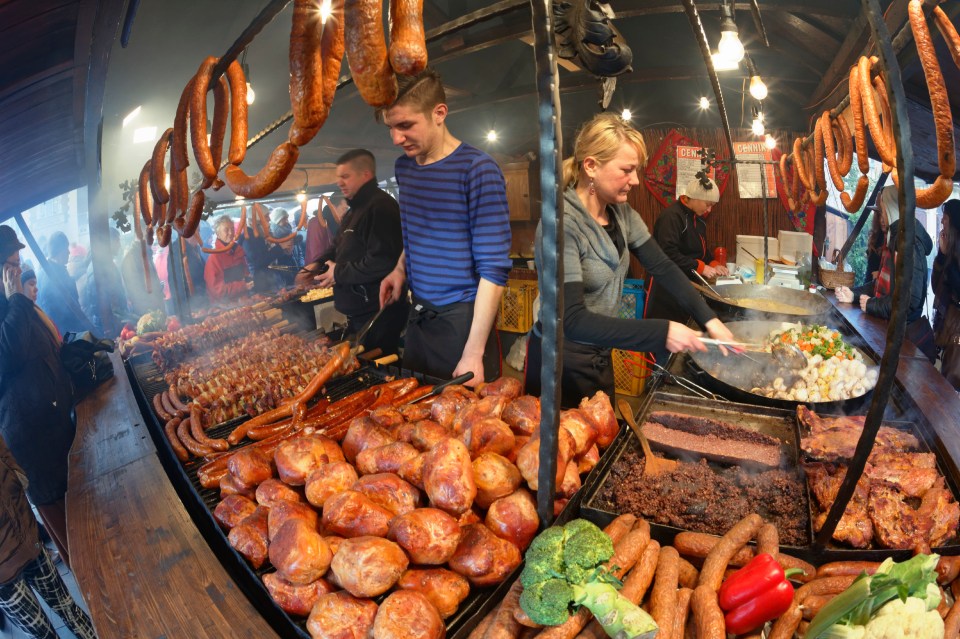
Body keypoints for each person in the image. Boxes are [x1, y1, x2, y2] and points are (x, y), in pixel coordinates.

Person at [523, 113, 734, 403]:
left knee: (605, 439)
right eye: (627, 169)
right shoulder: (561, 225)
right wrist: (663, 331)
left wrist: (709, 320)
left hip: (599, 350)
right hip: (560, 361)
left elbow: (662, 266)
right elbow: (571, 319)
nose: (635, 180)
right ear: (591, 166)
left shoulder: (620, 213)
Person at [378, 68, 512, 384]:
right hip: (419, 317)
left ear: (439, 113)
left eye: (405, 125)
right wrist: (400, 269)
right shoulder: (405, 168)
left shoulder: (477, 169)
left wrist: (474, 353)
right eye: (390, 127)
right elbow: (416, 231)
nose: (396, 138)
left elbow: (493, 271)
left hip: (463, 323)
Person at [0, 226, 77, 571]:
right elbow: (8, 355)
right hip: (31, 438)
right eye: (10, 265)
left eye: (18, 263)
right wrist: (16, 298)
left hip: (55, 426)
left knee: (80, 512)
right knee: (69, 530)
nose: (17, 271)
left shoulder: (17, 303)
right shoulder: (11, 304)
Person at [297, 149, 408, 355]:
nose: (339, 182)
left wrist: (338, 273)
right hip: (360, 312)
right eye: (339, 177)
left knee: (379, 364)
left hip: (379, 311)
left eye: (345, 176)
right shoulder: (354, 211)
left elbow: (382, 261)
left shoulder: (380, 207)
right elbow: (338, 247)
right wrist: (317, 265)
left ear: (365, 175)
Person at [0, 433, 97, 639]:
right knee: (41, 634)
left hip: (26, 532)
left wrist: (14, 472)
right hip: (2, 573)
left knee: (69, 609)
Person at [836, 185, 935, 360]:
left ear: (891, 208)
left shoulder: (908, 243)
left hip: (902, 339)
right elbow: (881, 283)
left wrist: (874, 305)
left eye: (883, 211)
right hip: (886, 330)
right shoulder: (895, 238)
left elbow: (909, 299)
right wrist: (854, 294)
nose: (881, 217)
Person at [36, 231, 88, 334]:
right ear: (60, 250)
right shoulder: (52, 275)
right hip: (67, 333)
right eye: (66, 248)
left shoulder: (46, 272)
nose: (69, 252)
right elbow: (56, 312)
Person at [933, 200, 960, 389]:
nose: (942, 222)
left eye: (945, 218)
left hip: (957, 330)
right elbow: (935, 286)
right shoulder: (947, 250)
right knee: (945, 376)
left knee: (952, 379)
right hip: (947, 325)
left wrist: (947, 261)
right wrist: (942, 255)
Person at [204, 214, 253, 304]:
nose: (230, 233)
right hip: (224, 307)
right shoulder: (214, 258)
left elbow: (245, 273)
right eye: (226, 230)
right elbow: (217, 291)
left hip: (243, 301)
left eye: (232, 229)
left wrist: (249, 279)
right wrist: (243, 286)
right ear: (218, 234)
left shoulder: (238, 251)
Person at [305, 201, 334, 266]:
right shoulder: (316, 224)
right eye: (344, 208)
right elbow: (317, 255)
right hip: (319, 270)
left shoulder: (331, 223)